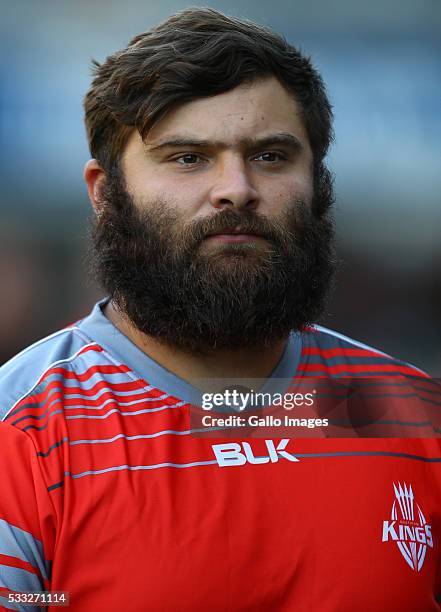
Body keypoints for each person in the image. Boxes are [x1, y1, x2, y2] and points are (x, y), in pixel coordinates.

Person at [0, 7, 440, 611]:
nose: (236, 187)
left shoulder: (415, 418)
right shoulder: (21, 438)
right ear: (105, 193)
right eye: (188, 157)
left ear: (319, 185)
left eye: (270, 156)